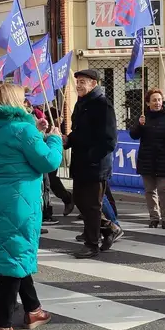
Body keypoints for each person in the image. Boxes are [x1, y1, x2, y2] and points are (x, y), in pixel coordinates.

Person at [0, 84, 62, 330]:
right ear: (17, 101)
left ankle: (33, 309)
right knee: (14, 259)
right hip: (18, 201)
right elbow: (48, 161)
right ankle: (2, 326)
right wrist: (54, 139)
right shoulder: (22, 129)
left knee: (14, 253)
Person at [66, 69, 119, 259]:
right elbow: (79, 132)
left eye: (83, 81)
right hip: (80, 162)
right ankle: (109, 228)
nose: (79, 85)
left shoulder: (102, 105)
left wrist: (92, 156)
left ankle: (91, 244)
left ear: (94, 83)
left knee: (92, 205)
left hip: (96, 164)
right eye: (78, 81)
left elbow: (110, 140)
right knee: (80, 200)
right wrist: (67, 141)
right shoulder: (82, 104)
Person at [130, 88, 165, 229]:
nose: (157, 103)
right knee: (150, 190)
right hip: (147, 158)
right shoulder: (143, 116)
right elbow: (134, 135)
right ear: (148, 103)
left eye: (159, 100)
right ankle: (154, 217)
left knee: (164, 189)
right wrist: (139, 125)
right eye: (154, 100)